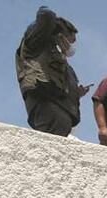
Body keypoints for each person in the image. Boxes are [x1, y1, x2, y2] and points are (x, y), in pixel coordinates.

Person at [15, 6, 89, 136]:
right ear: (59, 35)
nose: (71, 46)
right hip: (46, 102)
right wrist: (55, 22)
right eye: (70, 41)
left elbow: (61, 85)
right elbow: (46, 16)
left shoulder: (63, 63)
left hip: (62, 111)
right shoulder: (38, 44)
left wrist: (77, 92)